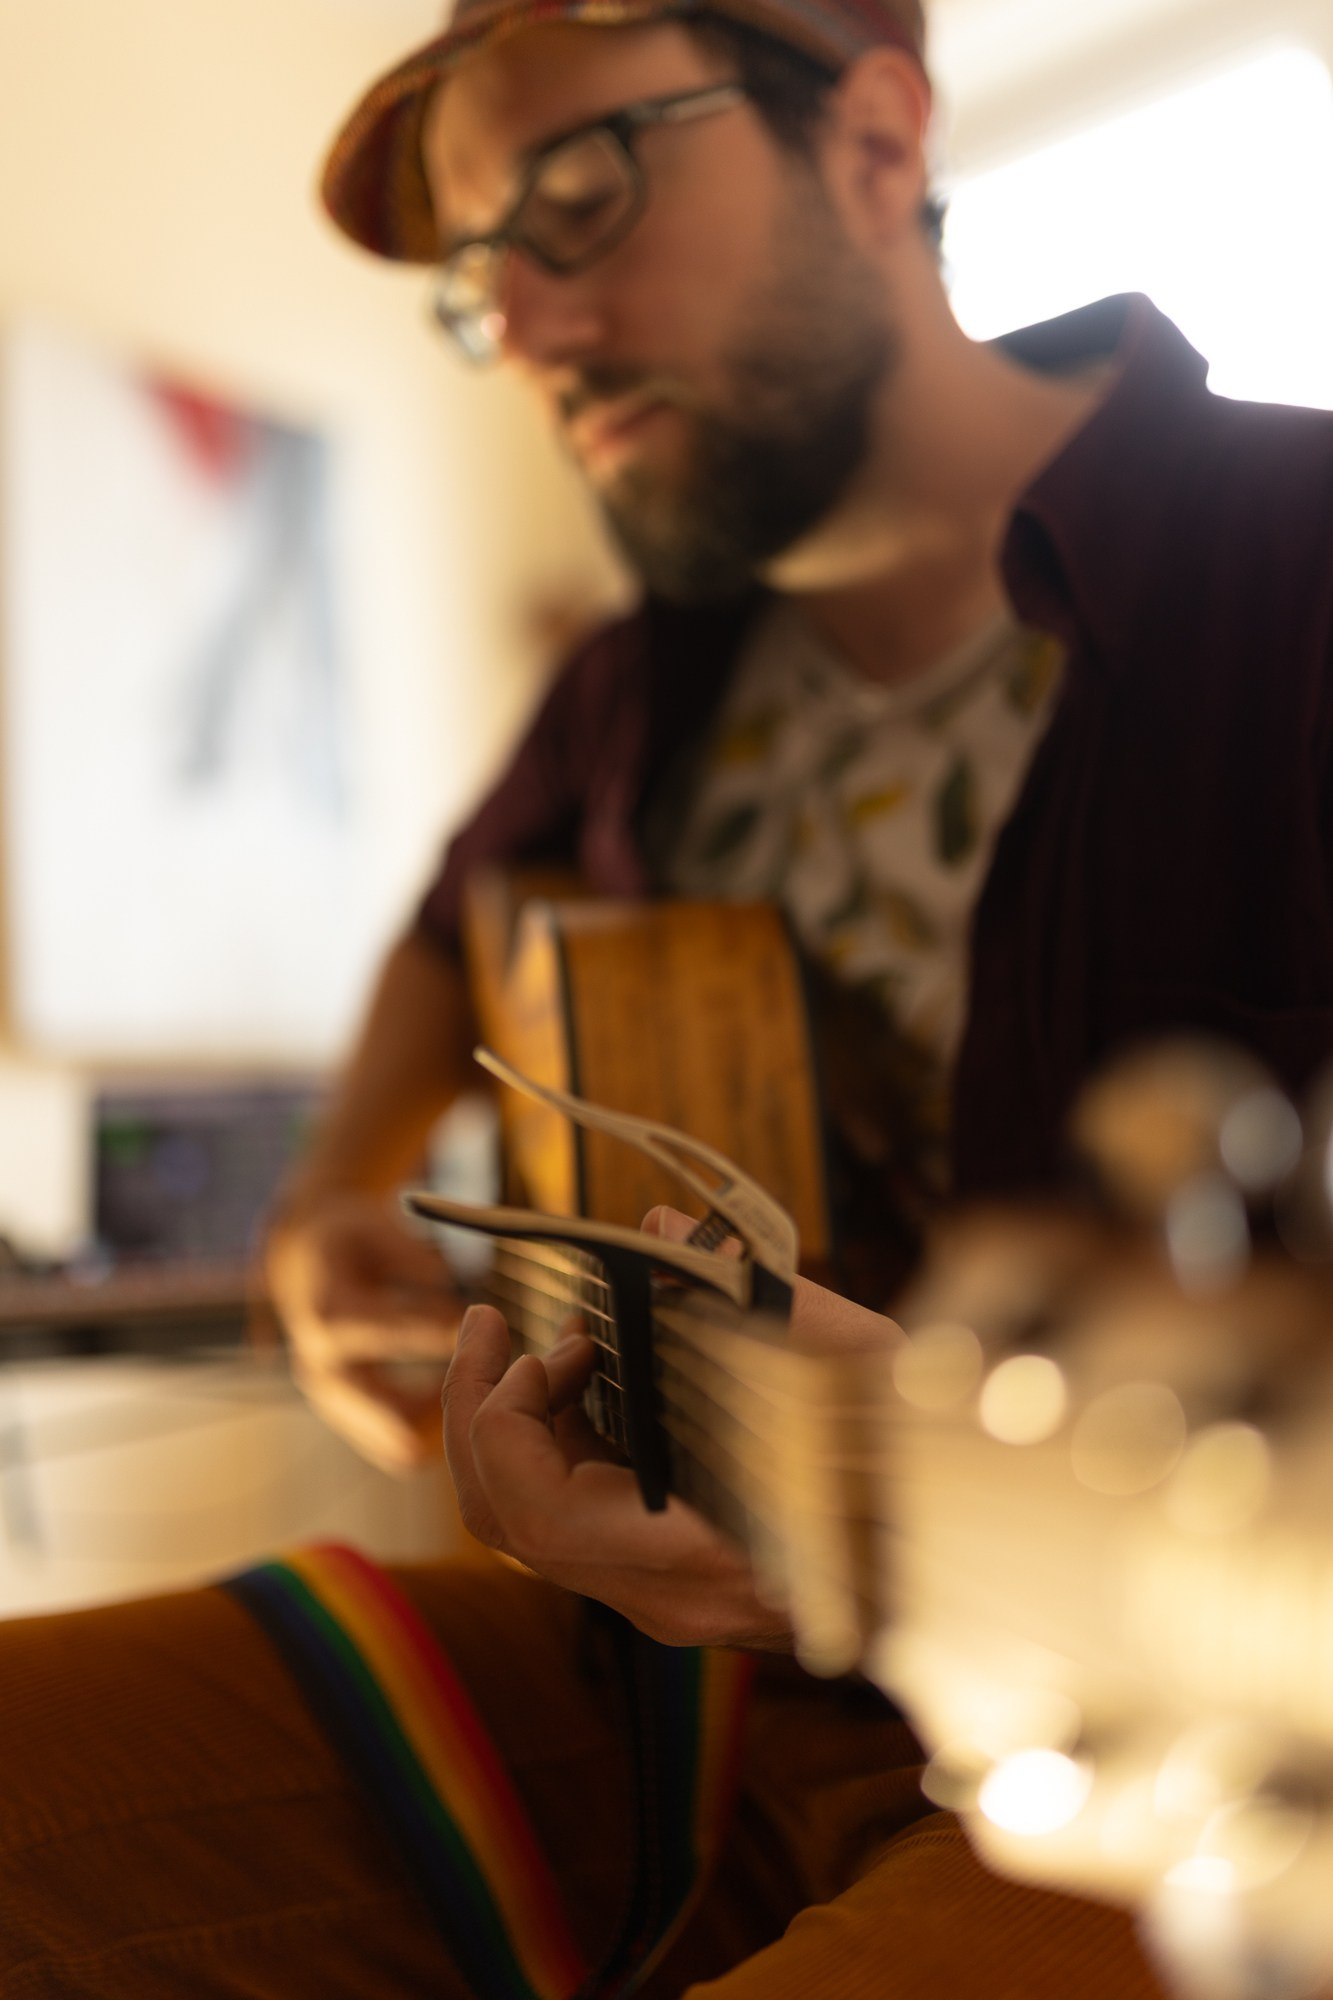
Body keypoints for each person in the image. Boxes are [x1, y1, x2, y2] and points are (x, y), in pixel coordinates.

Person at [3, 1, 1332, 1994]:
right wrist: (339, 1191)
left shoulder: (1293, 562)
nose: (527, 327)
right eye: (480, 273)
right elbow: (449, 915)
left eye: (580, 192)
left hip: (1166, 1719)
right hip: (666, 1682)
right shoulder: (634, 684)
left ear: (871, 142)